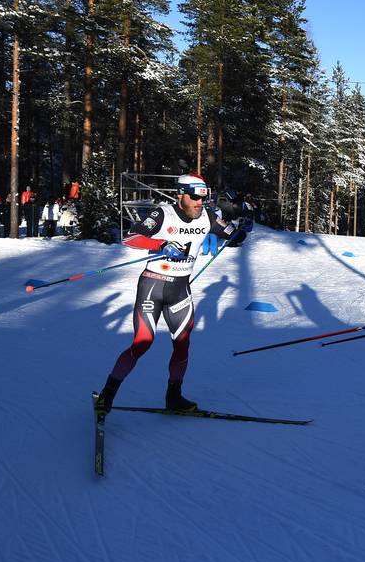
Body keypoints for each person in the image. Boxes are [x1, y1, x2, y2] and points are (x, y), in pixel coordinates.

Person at [94, 173, 249, 413]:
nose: (199, 203)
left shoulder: (207, 216)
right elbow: (131, 237)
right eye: (195, 198)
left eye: (203, 198)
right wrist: (161, 244)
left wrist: (241, 231)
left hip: (180, 289)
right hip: (153, 286)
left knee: (182, 344)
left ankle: (174, 397)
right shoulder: (162, 214)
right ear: (181, 195)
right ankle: (107, 395)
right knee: (142, 343)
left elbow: (232, 235)